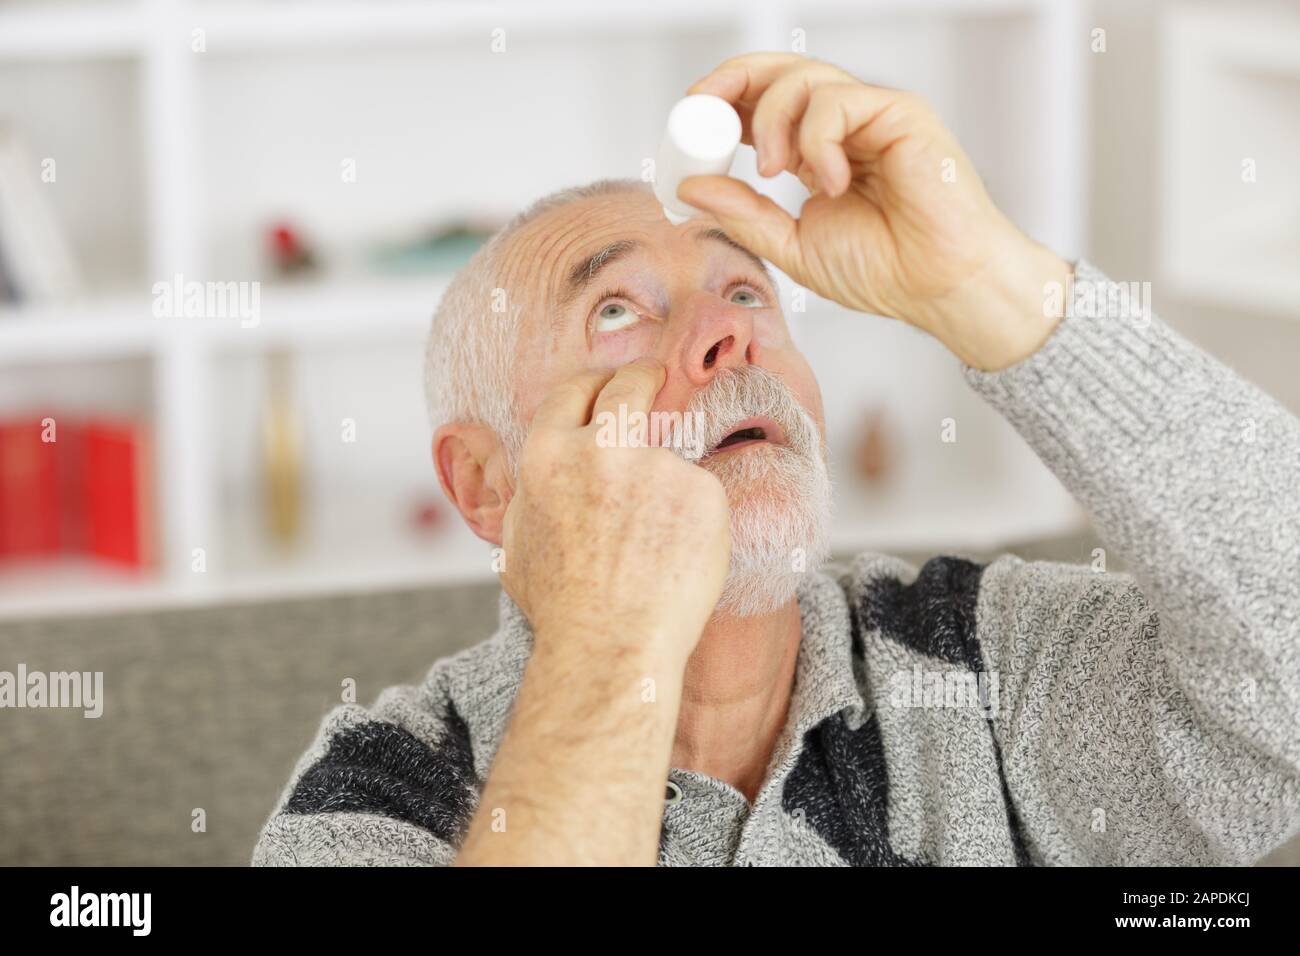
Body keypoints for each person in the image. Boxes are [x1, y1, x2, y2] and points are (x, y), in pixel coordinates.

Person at [253, 53, 1300, 866]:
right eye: (616, 310)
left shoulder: (978, 666)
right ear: (486, 482)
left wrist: (984, 282)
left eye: (746, 291)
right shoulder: (382, 794)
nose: (728, 336)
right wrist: (612, 641)